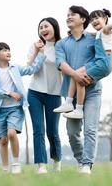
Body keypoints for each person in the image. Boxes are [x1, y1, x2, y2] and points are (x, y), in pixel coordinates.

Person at [54, 9, 112, 119]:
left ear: (105, 19)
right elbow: (94, 33)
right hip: (97, 62)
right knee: (76, 74)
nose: (94, 21)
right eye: (92, 19)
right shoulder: (98, 34)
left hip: (103, 63)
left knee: (80, 80)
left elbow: (107, 28)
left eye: (97, 18)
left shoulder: (105, 31)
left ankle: (79, 109)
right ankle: (68, 103)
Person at [55, 5, 105, 174]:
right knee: (72, 132)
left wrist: (90, 76)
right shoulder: (61, 43)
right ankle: (80, 160)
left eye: (72, 15)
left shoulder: (95, 38)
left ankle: (86, 165)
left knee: (90, 129)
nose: (68, 17)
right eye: (67, 15)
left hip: (92, 91)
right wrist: (76, 76)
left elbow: (102, 61)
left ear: (83, 19)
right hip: (71, 94)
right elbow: (61, 64)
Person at [0, 42, 46, 174]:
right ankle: (4, 169)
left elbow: (31, 69)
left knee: (11, 133)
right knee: (3, 141)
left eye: (8, 49)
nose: (8, 52)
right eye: (4, 50)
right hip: (0, 110)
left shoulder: (15, 68)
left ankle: (15, 163)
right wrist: (9, 93)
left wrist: (41, 54)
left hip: (15, 108)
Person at [27, 17, 63, 174]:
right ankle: (41, 165)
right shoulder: (35, 45)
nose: (43, 30)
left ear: (54, 27)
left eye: (46, 26)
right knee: (38, 130)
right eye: (40, 27)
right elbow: (30, 65)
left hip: (54, 94)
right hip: (35, 92)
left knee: (52, 131)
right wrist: (37, 51)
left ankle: (57, 160)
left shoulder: (62, 46)